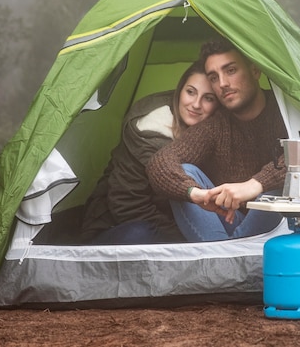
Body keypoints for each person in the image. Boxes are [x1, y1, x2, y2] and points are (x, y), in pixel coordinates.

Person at [146, 37, 288, 242]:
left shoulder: (284, 113)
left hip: (272, 229)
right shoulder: (216, 126)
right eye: (213, 77)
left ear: (255, 71)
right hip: (224, 223)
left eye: (230, 70)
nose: (222, 84)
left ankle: (222, 259)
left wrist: (255, 184)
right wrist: (196, 194)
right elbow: (160, 162)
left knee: (280, 188)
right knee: (186, 173)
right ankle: (231, 258)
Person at [80, 61, 220, 244]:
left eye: (208, 98)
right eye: (191, 92)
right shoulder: (145, 133)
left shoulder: (213, 132)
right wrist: (180, 240)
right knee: (139, 233)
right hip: (117, 225)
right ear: (179, 91)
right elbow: (127, 206)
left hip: (176, 224)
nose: (196, 104)